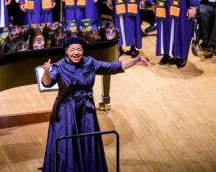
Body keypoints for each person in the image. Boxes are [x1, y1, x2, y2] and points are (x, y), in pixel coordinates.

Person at [41, 36, 149, 172]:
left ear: (83, 51)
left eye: (79, 50)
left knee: (88, 141)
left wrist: (134, 61)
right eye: (72, 50)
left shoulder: (90, 62)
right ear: (67, 51)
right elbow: (47, 82)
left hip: (87, 109)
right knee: (67, 145)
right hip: (66, 110)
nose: (76, 53)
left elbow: (111, 67)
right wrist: (46, 72)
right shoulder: (59, 66)